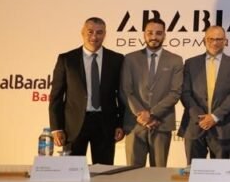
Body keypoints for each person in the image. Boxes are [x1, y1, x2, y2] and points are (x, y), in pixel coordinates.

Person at [49, 17, 125, 164]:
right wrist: (56, 128)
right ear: (82, 32)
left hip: (106, 125)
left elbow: (122, 95)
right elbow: (56, 96)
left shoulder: (117, 59)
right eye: (90, 32)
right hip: (73, 127)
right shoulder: (66, 59)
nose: (94, 36)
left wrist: (120, 124)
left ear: (105, 34)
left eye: (99, 32)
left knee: (103, 172)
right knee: (71, 171)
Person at [120, 18, 182, 167]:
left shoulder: (175, 60)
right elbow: (125, 90)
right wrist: (141, 115)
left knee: (159, 173)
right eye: (150, 33)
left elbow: (175, 92)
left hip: (161, 123)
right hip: (135, 124)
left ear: (164, 35)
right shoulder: (130, 59)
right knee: (133, 173)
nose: (154, 37)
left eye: (158, 33)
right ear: (144, 34)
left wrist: (152, 114)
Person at [181, 25, 230, 161]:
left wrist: (214, 117)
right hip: (194, 126)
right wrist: (200, 118)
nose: (215, 43)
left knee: (221, 172)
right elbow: (185, 92)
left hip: (222, 127)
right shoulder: (190, 63)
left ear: (225, 41)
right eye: (211, 39)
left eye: (219, 39)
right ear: (204, 40)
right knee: (193, 170)